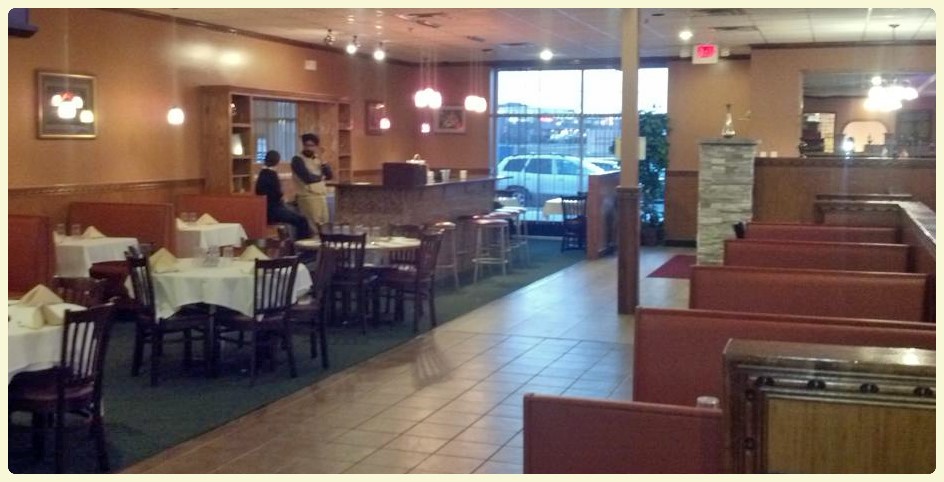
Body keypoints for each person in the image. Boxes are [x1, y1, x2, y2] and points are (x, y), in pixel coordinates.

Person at [255, 150, 312, 239]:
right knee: (302, 220)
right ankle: (302, 243)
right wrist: (282, 198)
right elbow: (277, 194)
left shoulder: (262, 173)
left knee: (294, 214)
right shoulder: (272, 174)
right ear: (277, 161)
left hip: (266, 209)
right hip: (273, 211)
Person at [291, 133, 333, 230]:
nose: (308, 148)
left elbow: (329, 176)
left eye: (311, 146)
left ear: (316, 147)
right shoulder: (297, 159)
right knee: (313, 226)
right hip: (307, 197)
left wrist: (323, 161)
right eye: (306, 145)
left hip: (321, 196)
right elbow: (307, 178)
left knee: (325, 225)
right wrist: (321, 177)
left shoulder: (318, 159)